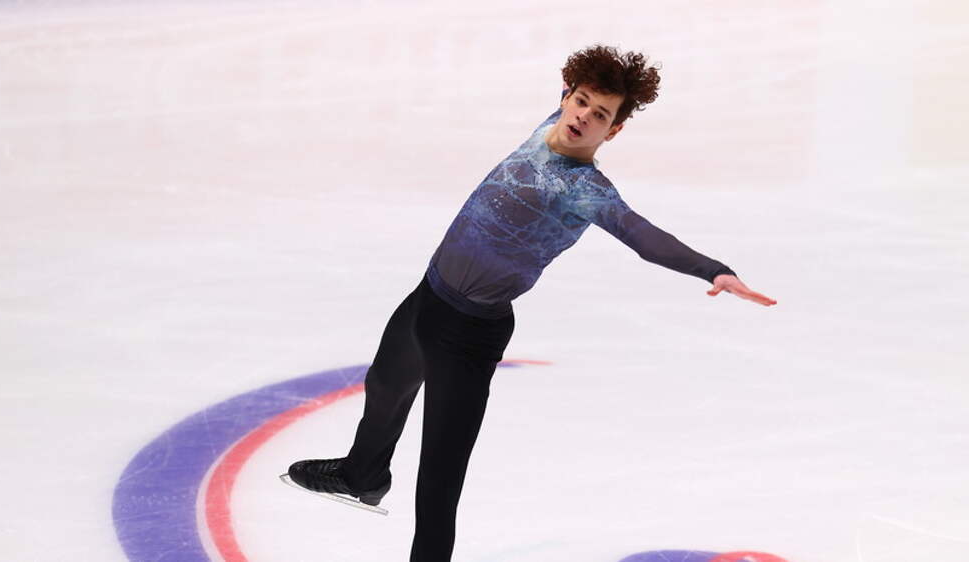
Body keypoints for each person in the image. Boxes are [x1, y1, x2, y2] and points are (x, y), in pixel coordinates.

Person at [286, 44, 777, 561]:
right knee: (386, 385)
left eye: (601, 115)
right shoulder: (550, 124)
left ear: (613, 131)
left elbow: (644, 236)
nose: (584, 117)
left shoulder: (587, 191)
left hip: (468, 335)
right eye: (581, 102)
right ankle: (362, 474)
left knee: (439, 479)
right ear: (565, 96)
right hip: (428, 296)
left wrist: (713, 269)